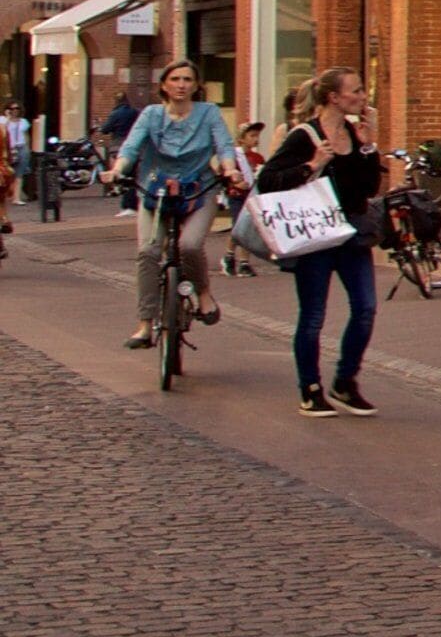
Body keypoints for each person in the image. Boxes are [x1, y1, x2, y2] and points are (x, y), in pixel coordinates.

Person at [256, 69, 387, 418]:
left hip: (351, 234)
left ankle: (345, 381)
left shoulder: (355, 134)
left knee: (365, 308)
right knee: (313, 316)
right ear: (334, 97)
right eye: (356, 91)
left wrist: (369, 144)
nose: (363, 97)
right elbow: (268, 181)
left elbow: (371, 187)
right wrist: (312, 165)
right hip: (314, 236)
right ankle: (310, 388)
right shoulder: (304, 136)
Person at [115, 62, 243, 352]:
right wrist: (117, 169)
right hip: (154, 191)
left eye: (188, 79)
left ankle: (204, 293)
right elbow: (131, 148)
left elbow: (223, 146)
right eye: (175, 79)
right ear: (164, 85)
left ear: (196, 85)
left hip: (198, 190)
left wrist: (229, 169)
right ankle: (145, 324)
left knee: (189, 245)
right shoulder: (151, 115)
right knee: (148, 251)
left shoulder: (208, 113)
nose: (181, 84)